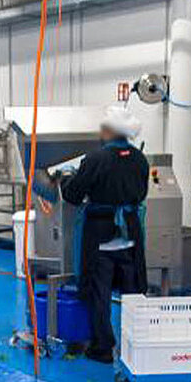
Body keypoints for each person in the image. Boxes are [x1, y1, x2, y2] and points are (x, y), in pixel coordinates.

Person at [58, 106, 150, 363]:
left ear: (110, 130)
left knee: (100, 289)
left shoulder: (95, 159)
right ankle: (137, 344)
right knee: (132, 291)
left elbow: (73, 194)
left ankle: (102, 347)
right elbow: (141, 193)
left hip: (102, 231)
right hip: (130, 229)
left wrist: (66, 178)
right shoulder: (140, 159)